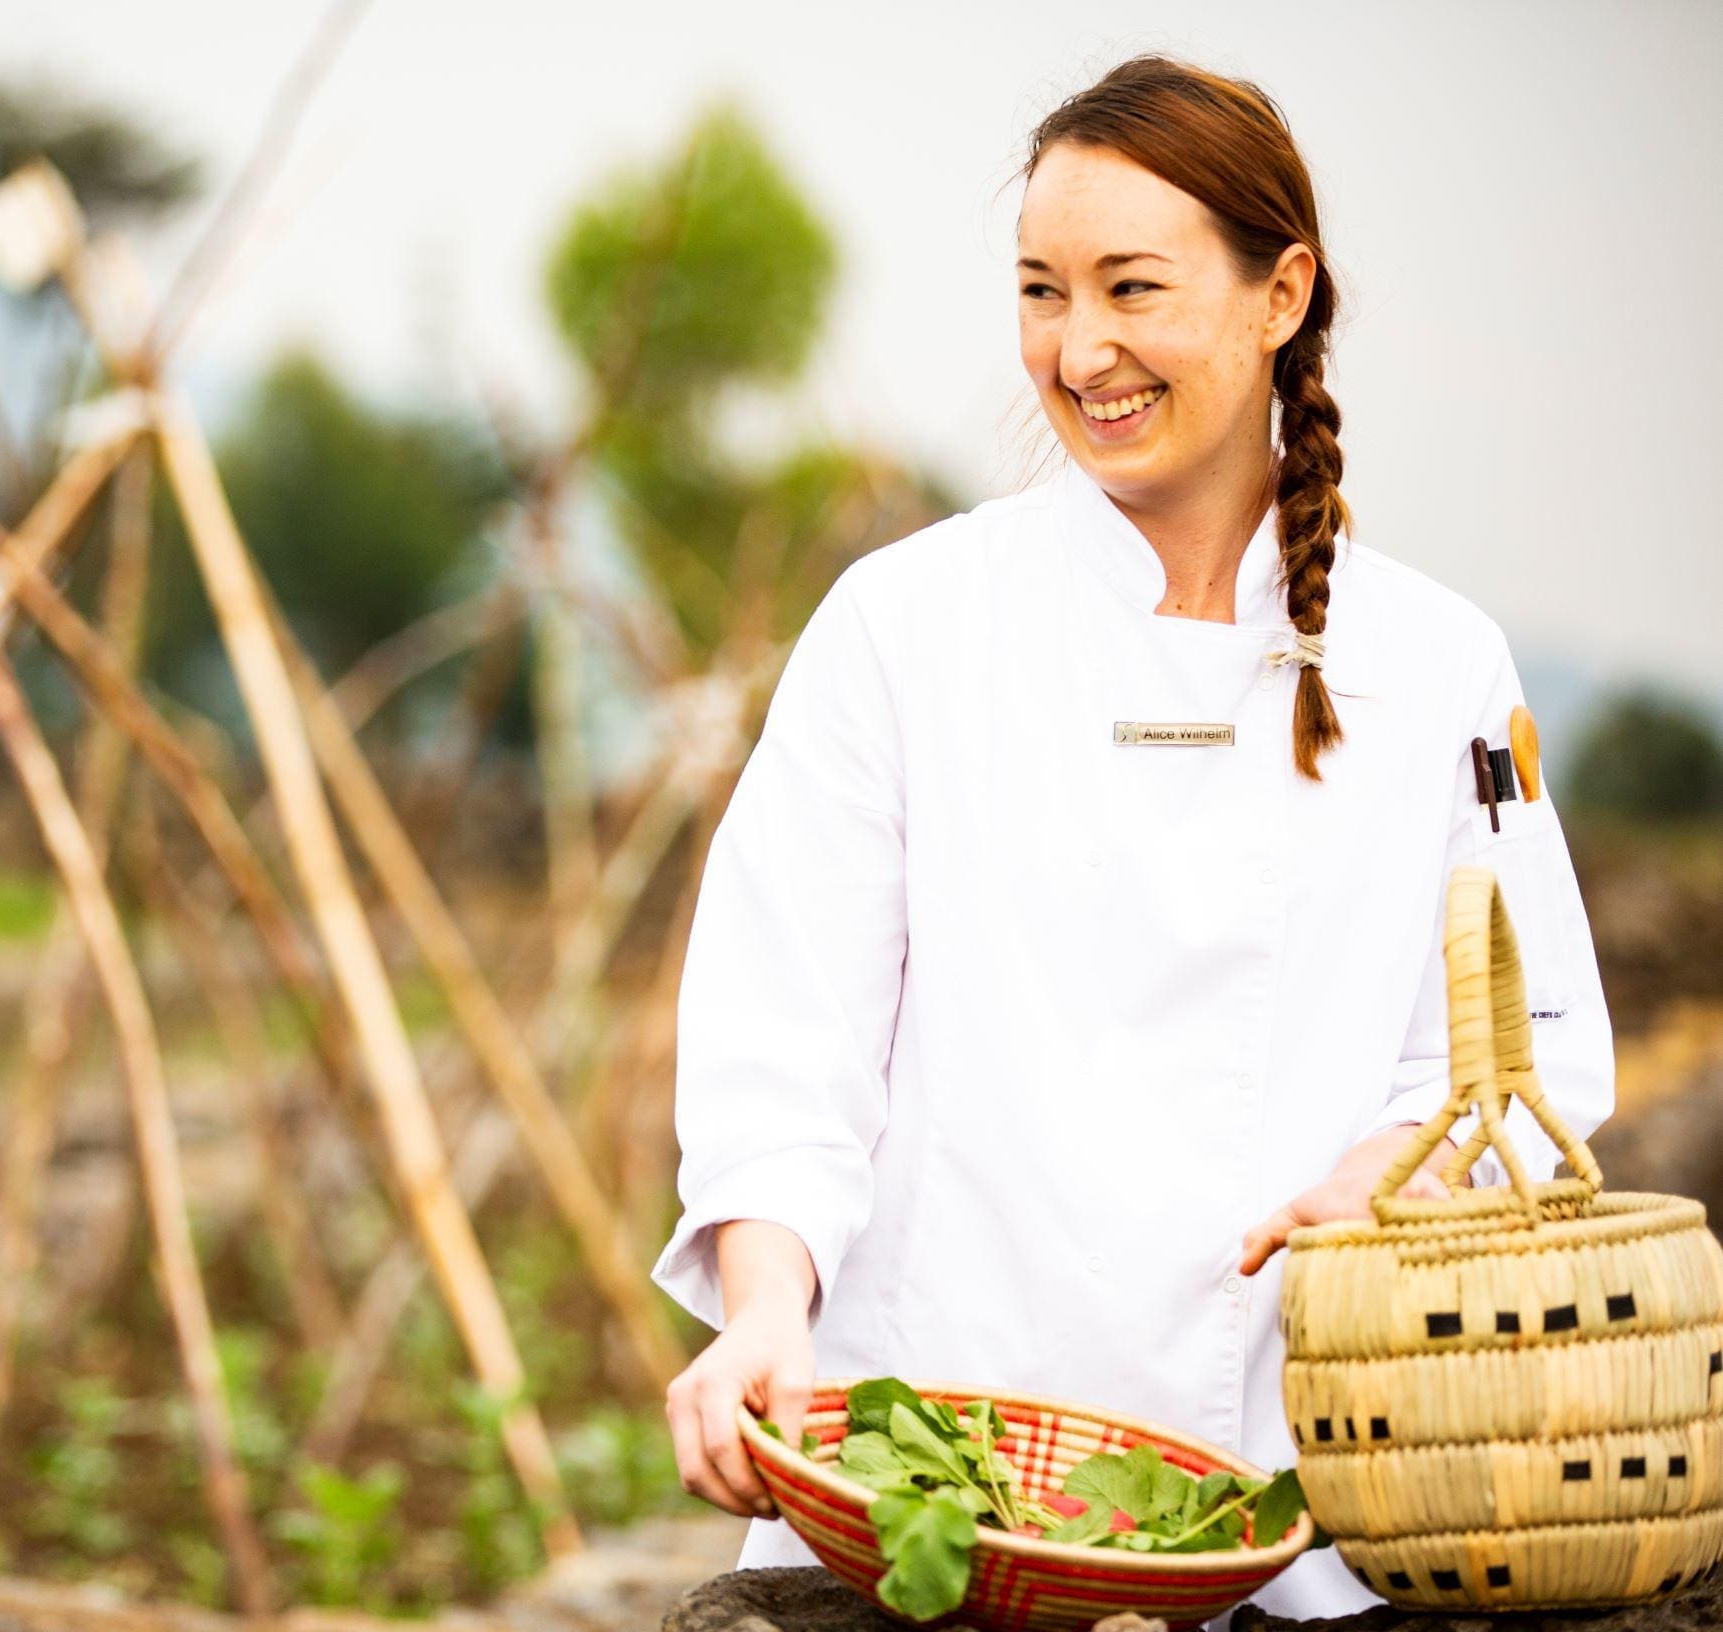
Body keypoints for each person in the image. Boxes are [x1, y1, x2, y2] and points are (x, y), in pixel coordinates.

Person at [651, 53, 1614, 1625]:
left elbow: (1531, 1043)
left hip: (1291, 1498)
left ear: (1278, 292)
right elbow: (784, 1028)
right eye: (1039, 290)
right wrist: (765, 1300)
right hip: (935, 1487)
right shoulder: (906, 622)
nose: (1077, 347)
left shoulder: (1436, 665)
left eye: (1130, 287)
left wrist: (1383, 1181)